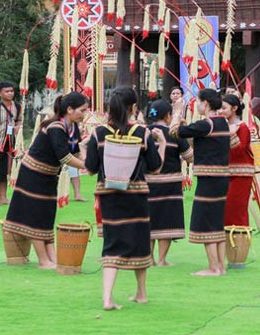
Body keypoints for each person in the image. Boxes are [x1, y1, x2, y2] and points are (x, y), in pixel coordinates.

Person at [86, 87, 165, 310]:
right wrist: (164, 145)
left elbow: (91, 168)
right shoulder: (142, 133)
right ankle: (141, 293)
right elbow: (155, 167)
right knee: (139, 241)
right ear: (132, 107)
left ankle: (107, 298)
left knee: (112, 243)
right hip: (136, 195)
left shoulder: (98, 133)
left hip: (109, 196)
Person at [2, 92, 88, 269]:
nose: (84, 114)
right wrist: (87, 167)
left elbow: (77, 150)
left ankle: (53, 258)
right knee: (36, 214)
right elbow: (64, 156)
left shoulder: (73, 127)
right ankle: (43, 260)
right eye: (82, 110)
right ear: (70, 109)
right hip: (33, 174)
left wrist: (87, 159)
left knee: (47, 214)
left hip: (49, 175)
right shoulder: (55, 126)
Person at [172, 88, 230, 276]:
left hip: (209, 180)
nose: (197, 105)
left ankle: (213, 267)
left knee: (205, 221)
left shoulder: (207, 124)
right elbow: (195, 138)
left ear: (206, 104)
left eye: (198, 102)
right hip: (221, 179)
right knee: (216, 221)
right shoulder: (222, 123)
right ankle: (220, 266)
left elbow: (174, 132)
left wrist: (177, 110)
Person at [147, 99, 193, 266]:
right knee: (166, 220)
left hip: (148, 182)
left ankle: (149, 258)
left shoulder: (143, 132)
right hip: (170, 182)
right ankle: (162, 259)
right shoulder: (174, 133)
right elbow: (190, 157)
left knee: (150, 219)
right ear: (167, 116)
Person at [223, 94, 254, 236]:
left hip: (241, 174)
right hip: (226, 173)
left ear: (234, 108)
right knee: (226, 209)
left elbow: (238, 151)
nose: (221, 111)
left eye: (224, 108)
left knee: (236, 209)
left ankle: (239, 247)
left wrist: (231, 135)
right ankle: (230, 247)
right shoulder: (225, 127)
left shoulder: (242, 128)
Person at [67, 120, 87, 202]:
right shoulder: (63, 123)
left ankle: (77, 195)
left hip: (72, 153)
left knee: (74, 174)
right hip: (61, 153)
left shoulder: (74, 125)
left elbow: (78, 141)